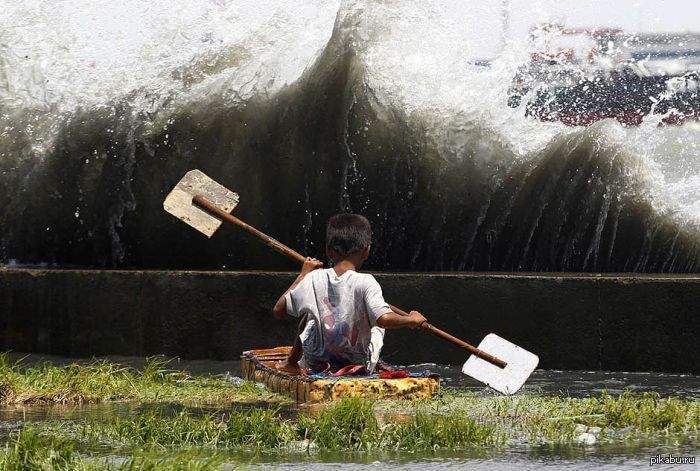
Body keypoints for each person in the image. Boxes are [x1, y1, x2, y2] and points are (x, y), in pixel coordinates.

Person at [272, 213, 426, 375]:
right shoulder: (367, 281)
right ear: (366, 251)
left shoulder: (313, 277)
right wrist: (411, 320)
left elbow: (278, 310)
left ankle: (291, 362)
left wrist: (303, 275)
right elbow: (384, 319)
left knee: (310, 314)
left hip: (317, 362)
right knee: (376, 322)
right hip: (356, 364)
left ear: (328, 250)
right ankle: (367, 363)